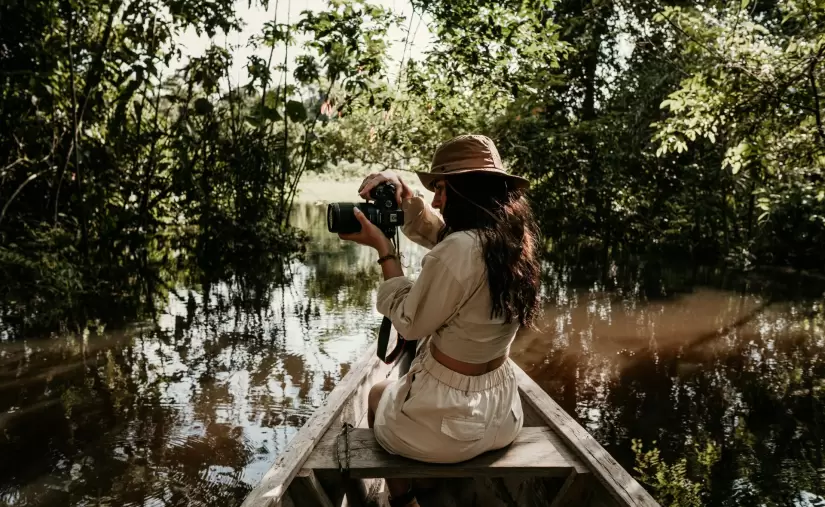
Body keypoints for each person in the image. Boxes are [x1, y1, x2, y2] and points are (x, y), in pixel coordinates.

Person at [338, 134, 542, 507]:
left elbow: (409, 324)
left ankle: (404, 499)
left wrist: (384, 249)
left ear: (466, 191)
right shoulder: (512, 241)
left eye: (441, 189)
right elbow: (441, 233)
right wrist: (405, 196)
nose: (434, 200)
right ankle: (433, 484)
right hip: (502, 417)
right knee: (403, 396)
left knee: (376, 394)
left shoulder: (459, 249)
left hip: (449, 427)